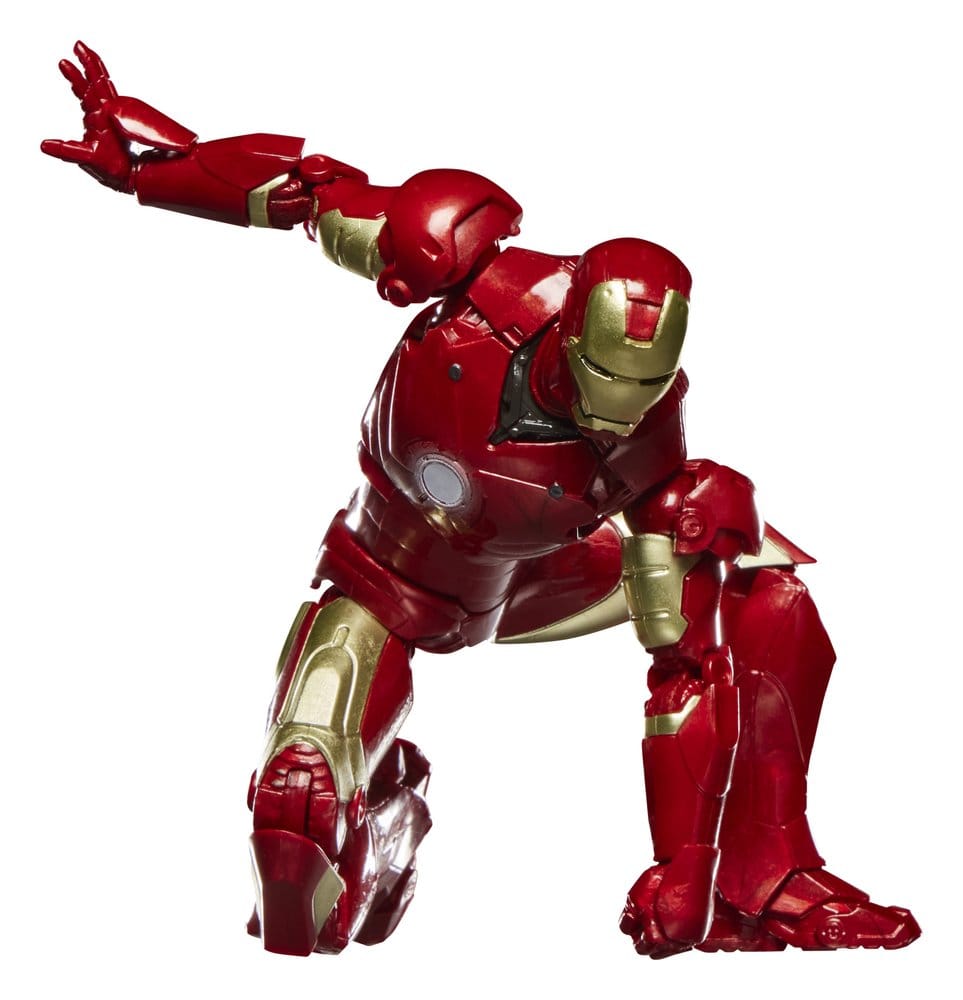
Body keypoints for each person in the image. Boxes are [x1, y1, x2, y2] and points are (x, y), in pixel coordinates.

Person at [43, 41, 919, 958]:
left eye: (644, 389)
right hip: (390, 579)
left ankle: (766, 884)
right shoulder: (462, 270)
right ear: (567, 330)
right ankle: (382, 826)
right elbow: (308, 191)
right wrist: (151, 169)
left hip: (540, 577)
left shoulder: (654, 448)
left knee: (761, 584)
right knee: (297, 811)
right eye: (604, 381)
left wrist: (684, 871)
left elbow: (684, 672)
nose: (618, 412)